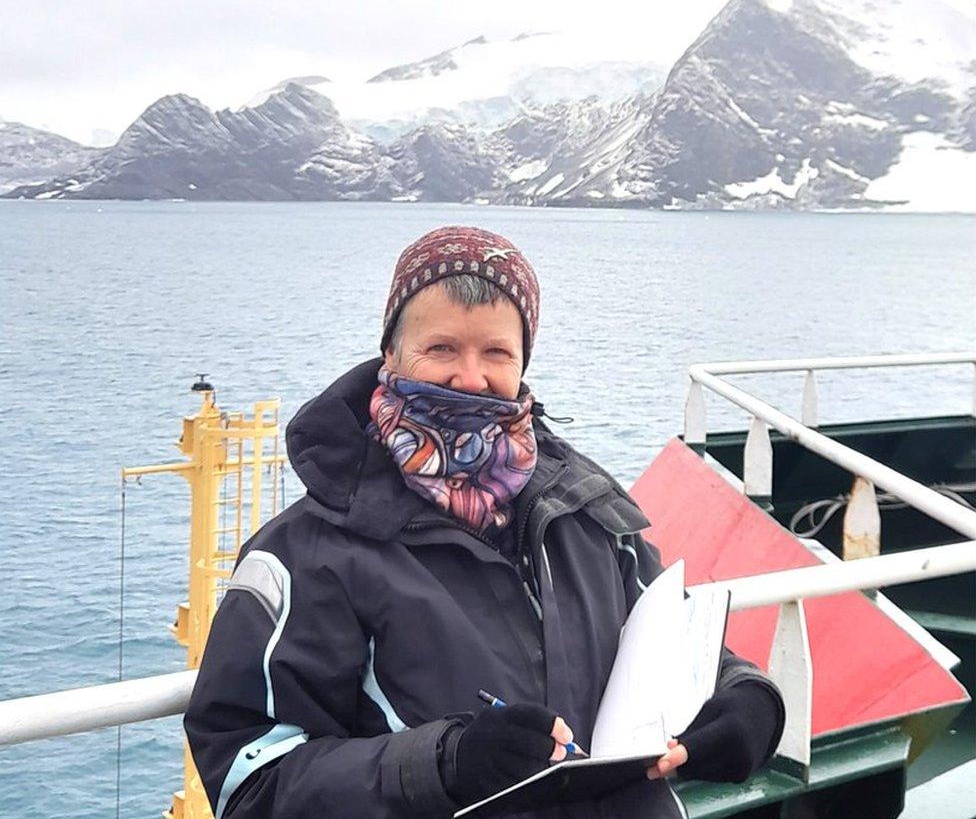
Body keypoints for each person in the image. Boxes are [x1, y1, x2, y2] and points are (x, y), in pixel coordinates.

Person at [184, 226, 785, 819]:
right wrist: (444, 764)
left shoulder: (585, 512)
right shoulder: (308, 553)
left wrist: (745, 699)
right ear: (390, 351)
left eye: (496, 352)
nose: (470, 378)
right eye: (442, 347)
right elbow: (250, 783)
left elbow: (670, 649)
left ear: (523, 360)